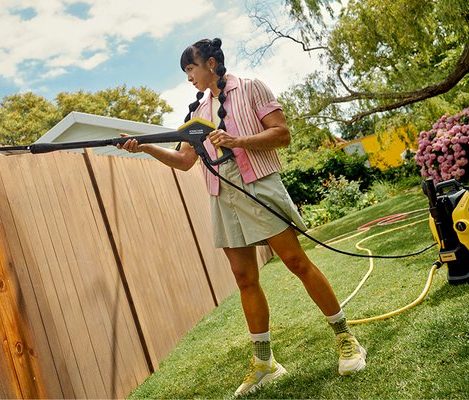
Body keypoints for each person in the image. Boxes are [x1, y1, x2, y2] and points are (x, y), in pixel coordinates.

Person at [117, 37, 366, 397]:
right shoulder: (197, 111)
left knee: (296, 261)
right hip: (223, 195)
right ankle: (265, 363)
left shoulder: (251, 87)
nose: (189, 76)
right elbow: (186, 162)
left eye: (192, 68)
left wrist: (237, 141)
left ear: (212, 64)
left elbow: (282, 135)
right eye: (186, 70)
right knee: (244, 277)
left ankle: (346, 339)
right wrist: (145, 147)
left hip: (260, 183)